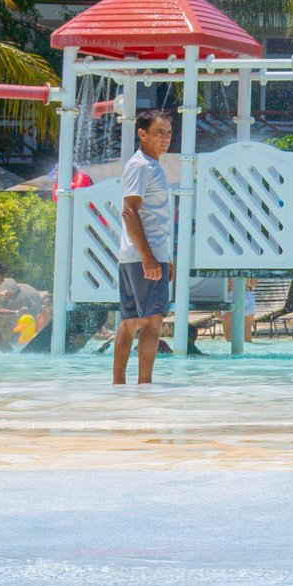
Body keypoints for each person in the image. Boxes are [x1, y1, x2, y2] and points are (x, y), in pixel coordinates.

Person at [114, 109, 175, 385]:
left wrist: (164, 257)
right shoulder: (141, 166)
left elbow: (153, 216)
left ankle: (119, 386)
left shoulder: (148, 165)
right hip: (142, 256)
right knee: (152, 322)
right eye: (159, 133)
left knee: (129, 323)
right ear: (142, 134)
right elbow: (130, 211)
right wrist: (149, 257)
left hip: (136, 256)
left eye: (169, 133)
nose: (165, 138)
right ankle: (145, 387)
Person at [219, 277, 257, 342]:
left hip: (231, 296)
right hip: (247, 295)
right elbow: (253, 283)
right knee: (247, 340)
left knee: (230, 341)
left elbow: (221, 284)